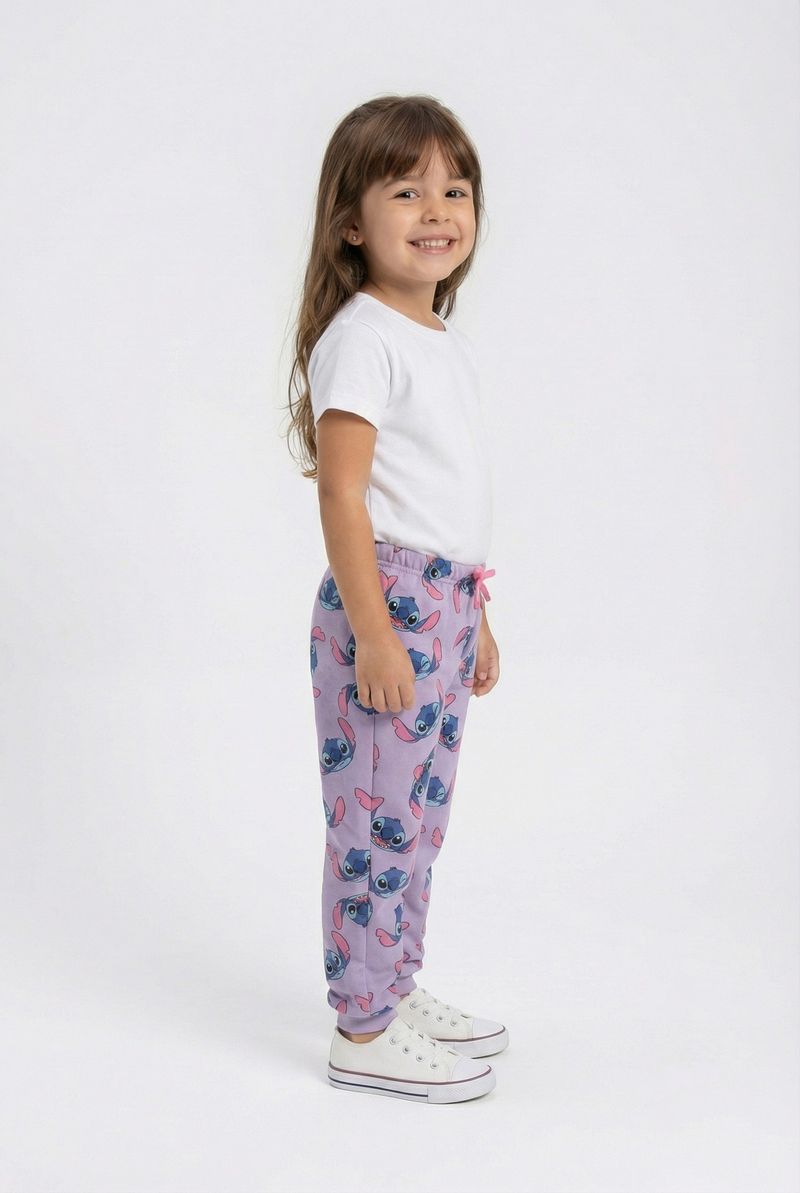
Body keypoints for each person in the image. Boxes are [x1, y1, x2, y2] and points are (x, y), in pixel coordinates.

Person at [286, 94, 508, 1104]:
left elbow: (439, 496)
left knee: (417, 822)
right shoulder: (362, 337)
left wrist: (475, 617)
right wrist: (375, 632)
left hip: (444, 603)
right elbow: (343, 494)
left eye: (455, 190)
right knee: (374, 821)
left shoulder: (437, 338)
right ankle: (361, 1025)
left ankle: (394, 982)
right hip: (389, 606)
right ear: (350, 221)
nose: (437, 210)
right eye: (407, 190)